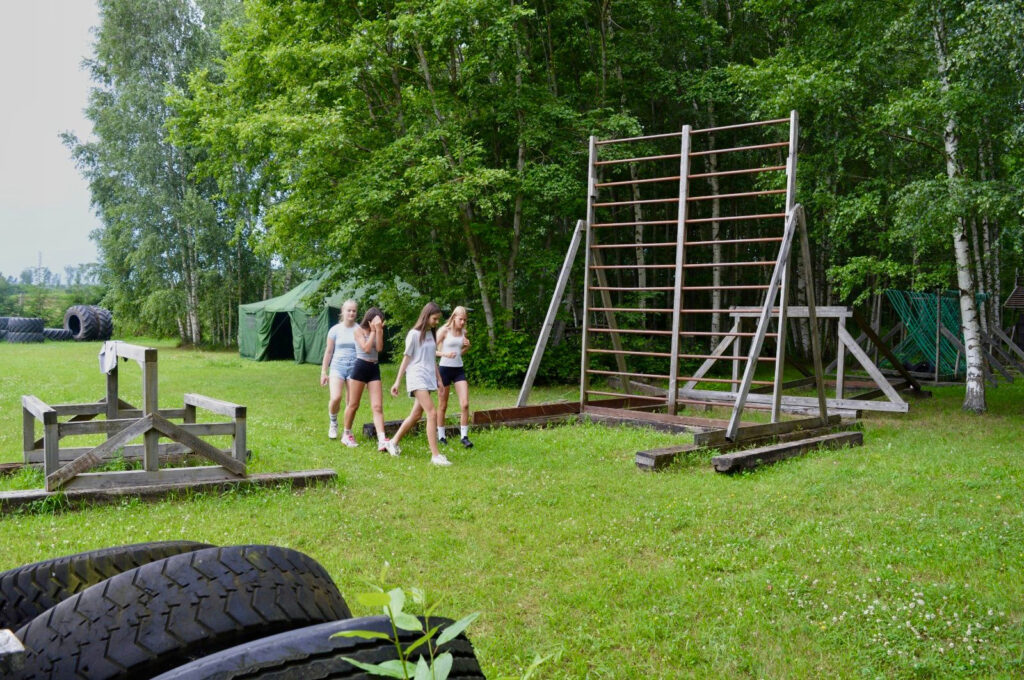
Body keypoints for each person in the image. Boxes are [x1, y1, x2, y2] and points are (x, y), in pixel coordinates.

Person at [387, 301, 451, 466]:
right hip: (416, 377)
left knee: (416, 415)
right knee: (432, 413)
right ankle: (435, 456)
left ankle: (392, 442)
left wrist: (439, 379)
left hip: (428, 377)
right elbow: (406, 358)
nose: (437, 322)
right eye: (434, 319)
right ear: (426, 316)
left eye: (438, 319)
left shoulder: (431, 334)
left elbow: (431, 359)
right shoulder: (414, 334)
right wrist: (397, 382)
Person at [341, 307, 389, 451]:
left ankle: (382, 439)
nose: (380, 323)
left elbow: (379, 348)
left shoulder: (378, 329)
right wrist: (373, 331)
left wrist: (379, 331)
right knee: (353, 404)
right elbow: (366, 348)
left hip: (374, 368)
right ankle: (346, 434)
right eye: (377, 321)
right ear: (370, 320)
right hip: (361, 367)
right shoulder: (358, 331)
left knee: (377, 406)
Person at [320, 299, 358, 441]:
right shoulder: (335, 330)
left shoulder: (359, 330)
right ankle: (333, 422)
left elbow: (363, 351)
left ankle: (347, 430)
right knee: (336, 397)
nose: (351, 313)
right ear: (343, 311)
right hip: (337, 367)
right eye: (349, 310)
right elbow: (329, 351)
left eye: (354, 311)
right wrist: (324, 372)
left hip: (354, 369)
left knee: (351, 402)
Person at [436, 305, 473, 448]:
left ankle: (464, 437)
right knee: (443, 405)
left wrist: (467, 347)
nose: (463, 322)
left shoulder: (463, 332)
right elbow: (430, 350)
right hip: (444, 369)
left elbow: (460, 352)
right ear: (454, 317)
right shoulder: (444, 331)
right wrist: (444, 354)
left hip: (458, 370)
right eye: (460, 319)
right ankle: (441, 436)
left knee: (465, 404)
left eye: (465, 320)